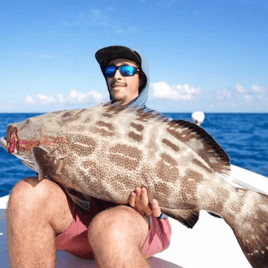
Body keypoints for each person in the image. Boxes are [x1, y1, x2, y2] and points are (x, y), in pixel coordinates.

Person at [7, 45, 171, 268]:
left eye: (127, 70)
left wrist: (155, 208)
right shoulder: (86, 121)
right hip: (86, 218)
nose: (117, 76)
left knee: (110, 227)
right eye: (110, 71)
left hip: (137, 224)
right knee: (26, 194)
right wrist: (36, 151)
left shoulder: (159, 129)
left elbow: (175, 187)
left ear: (142, 78)